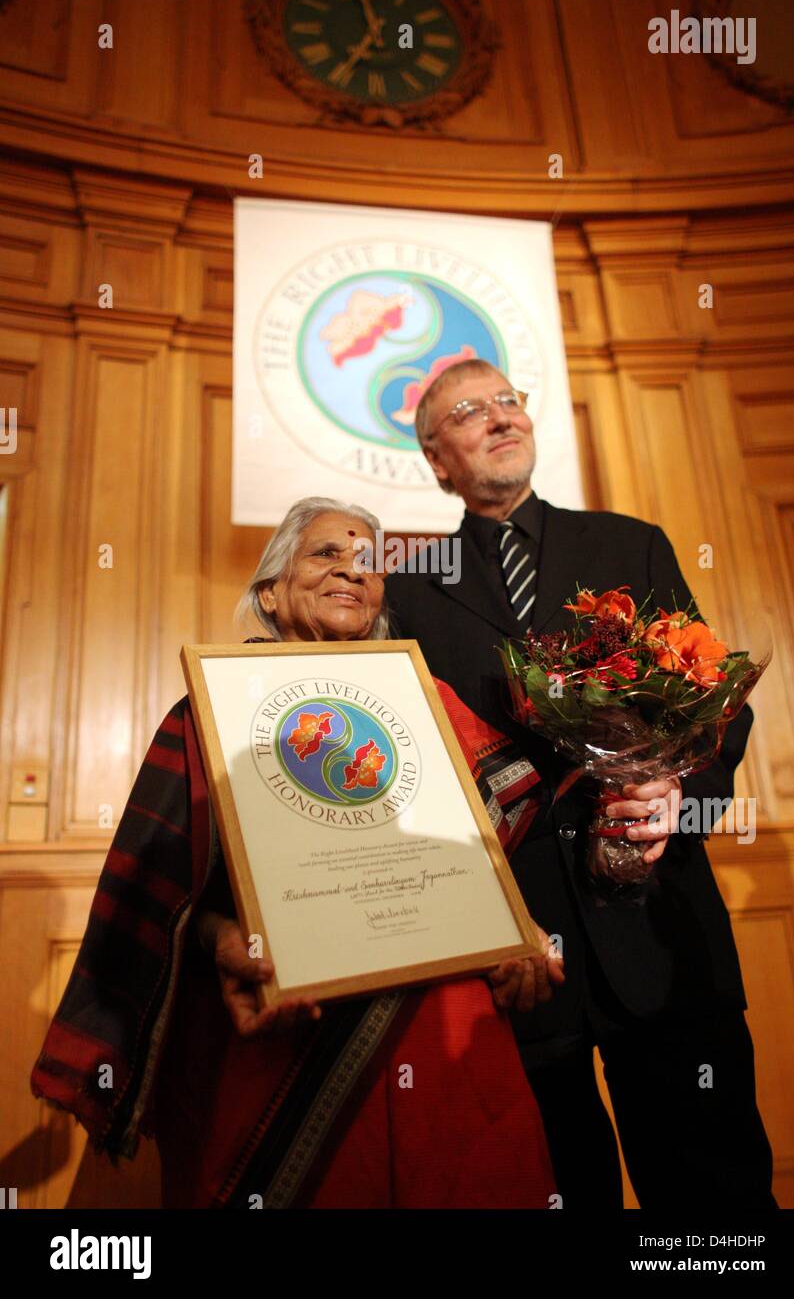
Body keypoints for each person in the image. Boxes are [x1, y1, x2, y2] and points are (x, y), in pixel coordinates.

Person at [31, 497, 563, 1210]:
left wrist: (516, 929)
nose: (351, 570)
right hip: (274, 1031)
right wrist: (221, 936)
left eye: (368, 564)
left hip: (440, 1026)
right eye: (324, 555)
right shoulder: (212, 709)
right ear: (271, 592)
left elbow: (486, 852)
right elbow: (155, 891)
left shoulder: (426, 698)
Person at [386, 357, 776, 1210]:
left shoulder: (628, 543)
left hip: (661, 934)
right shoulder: (410, 589)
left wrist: (683, 797)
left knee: (713, 1201)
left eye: (506, 402)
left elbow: (716, 701)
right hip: (518, 953)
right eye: (466, 413)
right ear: (436, 461)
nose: (497, 418)